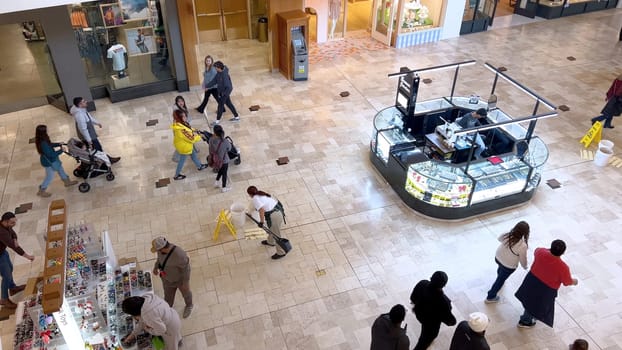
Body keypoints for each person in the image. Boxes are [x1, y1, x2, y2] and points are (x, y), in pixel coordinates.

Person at [515, 239, 578, 328]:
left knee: (530, 299)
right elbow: (567, 282)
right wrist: (574, 281)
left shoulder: (540, 252)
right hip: (546, 290)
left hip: (532, 280)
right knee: (535, 305)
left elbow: (537, 250)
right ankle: (525, 321)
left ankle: (528, 316)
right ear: (563, 252)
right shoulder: (563, 267)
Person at [410, 271, 457, 350]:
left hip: (419, 314)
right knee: (424, 341)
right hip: (431, 325)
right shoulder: (444, 302)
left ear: (431, 278)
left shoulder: (423, 283)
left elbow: (413, 298)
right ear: (444, 285)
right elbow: (450, 321)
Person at [485, 221, 530, 303]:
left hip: (498, 257)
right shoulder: (522, 245)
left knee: (500, 270)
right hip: (508, 265)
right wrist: (525, 266)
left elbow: (499, 239)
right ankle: (490, 297)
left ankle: (500, 276)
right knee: (500, 281)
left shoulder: (507, 234)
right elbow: (523, 259)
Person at [151, 237, 193, 318]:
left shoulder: (179, 255)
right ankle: (167, 308)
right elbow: (159, 260)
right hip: (167, 279)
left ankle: (189, 305)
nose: (157, 252)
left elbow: (186, 270)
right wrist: (155, 267)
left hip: (180, 280)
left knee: (186, 294)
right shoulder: (161, 252)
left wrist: (186, 283)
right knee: (167, 296)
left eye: (157, 250)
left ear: (162, 248)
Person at [0, 212, 35, 309]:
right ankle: (4, 299)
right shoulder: (1, 232)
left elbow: (12, 232)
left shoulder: (4, 225)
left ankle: (12, 288)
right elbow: (14, 247)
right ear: (6, 222)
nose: (14, 225)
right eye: (12, 223)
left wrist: (14, 238)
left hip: (2, 252)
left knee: (10, 268)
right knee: (6, 276)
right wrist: (28, 256)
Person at [71, 97, 121, 163]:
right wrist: (89, 140)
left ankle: (106, 160)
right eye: (84, 101)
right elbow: (83, 129)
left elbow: (89, 117)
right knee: (98, 149)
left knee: (97, 149)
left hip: (90, 133)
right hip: (88, 135)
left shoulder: (81, 109)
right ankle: (107, 161)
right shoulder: (79, 115)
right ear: (80, 104)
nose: (86, 102)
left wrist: (97, 123)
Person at [34, 125, 78, 197]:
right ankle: (41, 190)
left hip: (53, 160)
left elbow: (50, 145)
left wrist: (58, 144)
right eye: (46, 130)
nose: (48, 130)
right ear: (43, 132)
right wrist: (61, 150)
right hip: (49, 162)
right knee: (49, 177)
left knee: (60, 169)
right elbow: (50, 154)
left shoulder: (42, 139)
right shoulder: (43, 143)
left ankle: (67, 182)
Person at [247, 186, 289, 260]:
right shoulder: (260, 194)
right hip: (277, 211)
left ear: (250, 194)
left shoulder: (255, 199)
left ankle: (281, 252)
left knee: (276, 235)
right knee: (271, 230)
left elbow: (261, 210)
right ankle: (270, 242)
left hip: (275, 215)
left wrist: (261, 222)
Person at [170, 109, 207, 180]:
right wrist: (200, 136)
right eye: (183, 116)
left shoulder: (179, 123)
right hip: (185, 147)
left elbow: (187, 128)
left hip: (186, 144)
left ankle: (199, 166)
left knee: (193, 155)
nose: (185, 117)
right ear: (179, 118)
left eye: (185, 116)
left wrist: (194, 130)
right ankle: (176, 175)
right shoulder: (181, 130)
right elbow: (191, 139)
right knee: (182, 161)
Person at [207, 61, 240, 126]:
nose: (215, 69)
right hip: (223, 93)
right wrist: (207, 85)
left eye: (215, 68)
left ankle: (217, 121)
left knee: (220, 106)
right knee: (229, 104)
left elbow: (229, 87)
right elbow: (215, 80)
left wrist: (223, 94)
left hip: (224, 94)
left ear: (219, 68)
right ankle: (237, 117)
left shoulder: (224, 76)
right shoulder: (219, 73)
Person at [209, 124, 232, 192]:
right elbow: (229, 149)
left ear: (214, 132)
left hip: (215, 159)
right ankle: (224, 188)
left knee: (221, 170)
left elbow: (210, 149)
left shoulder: (211, 139)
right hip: (224, 160)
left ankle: (216, 182)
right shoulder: (225, 141)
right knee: (224, 173)